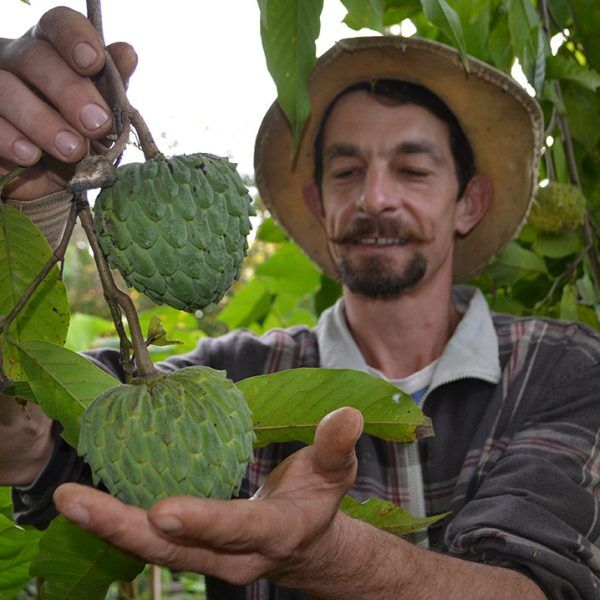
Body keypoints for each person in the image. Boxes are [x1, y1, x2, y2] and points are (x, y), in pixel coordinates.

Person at [1, 7, 599, 600]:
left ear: (468, 203)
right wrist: (25, 209)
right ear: (316, 202)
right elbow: (30, 431)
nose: (376, 197)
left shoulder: (564, 370)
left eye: (413, 169)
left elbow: (543, 583)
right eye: (347, 172)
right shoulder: (230, 378)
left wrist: (328, 558)